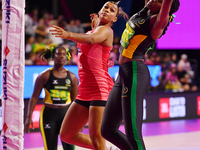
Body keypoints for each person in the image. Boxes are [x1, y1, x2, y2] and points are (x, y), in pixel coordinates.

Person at [101, 0, 180, 149]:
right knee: (107, 130)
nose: (152, 0)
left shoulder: (157, 23)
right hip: (123, 74)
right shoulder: (145, 11)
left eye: (158, 1)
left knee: (133, 133)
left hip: (135, 73)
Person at [49, 1, 128, 149]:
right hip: (85, 90)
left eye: (112, 10)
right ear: (99, 10)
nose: (107, 10)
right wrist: (94, 27)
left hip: (100, 89)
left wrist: (68, 34)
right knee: (67, 134)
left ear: (114, 19)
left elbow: (92, 40)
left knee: (96, 136)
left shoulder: (106, 31)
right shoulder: (94, 31)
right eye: (105, 7)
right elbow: (92, 41)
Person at [24, 46, 78, 150]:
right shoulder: (44, 76)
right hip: (48, 115)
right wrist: (28, 116)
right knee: (50, 148)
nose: (61, 56)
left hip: (66, 116)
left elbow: (75, 102)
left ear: (67, 57)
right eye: (58, 54)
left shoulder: (72, 77)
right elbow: (34, 97)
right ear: (53, 57)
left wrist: (77, 121)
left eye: (63, 54)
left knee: (70, 148)